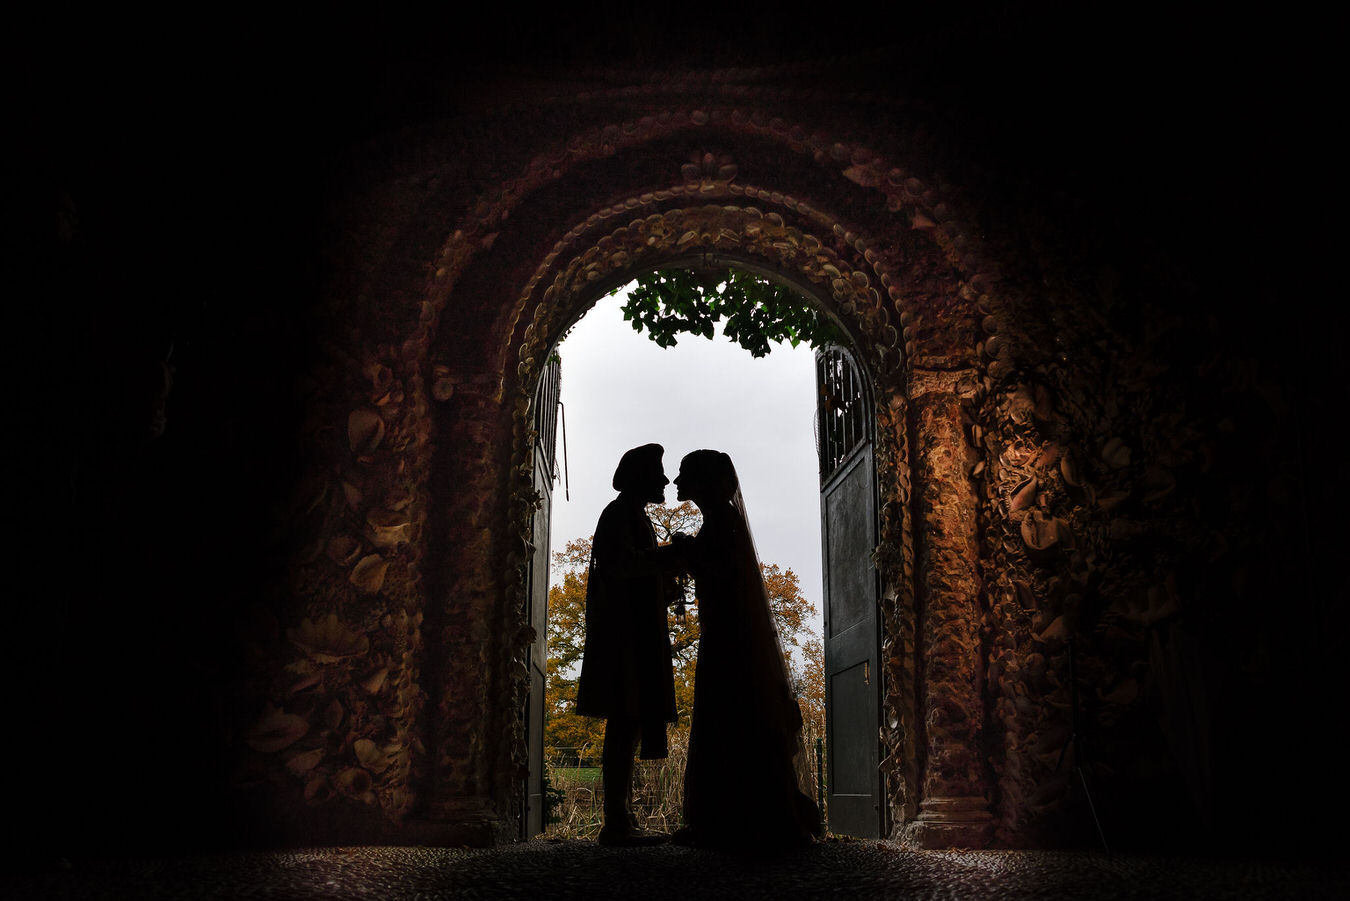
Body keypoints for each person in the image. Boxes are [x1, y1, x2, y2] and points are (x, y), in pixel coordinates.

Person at [667, 449, 823, 851]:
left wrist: (684, 549)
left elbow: (718, 573)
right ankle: (733, 818)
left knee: (728, 718)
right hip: (724, 633)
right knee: (730, 720)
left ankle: (729, 821)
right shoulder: (720, 518)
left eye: (685, 472)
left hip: (728, 638)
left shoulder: (722, 520)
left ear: (703, 479)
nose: (676, 479)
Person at [574, 443, 682, 846]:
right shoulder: (619, 514)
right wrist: (667, 559)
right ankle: (615, 820)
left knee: (630, 721)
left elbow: (636, 574)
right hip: (625, 638)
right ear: (640, 478)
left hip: (634, 634)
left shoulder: (634, 517)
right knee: (624, 721)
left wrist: (664, 577)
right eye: (658, 473)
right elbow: (620, 567)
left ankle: (621, 816)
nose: (665, 480)